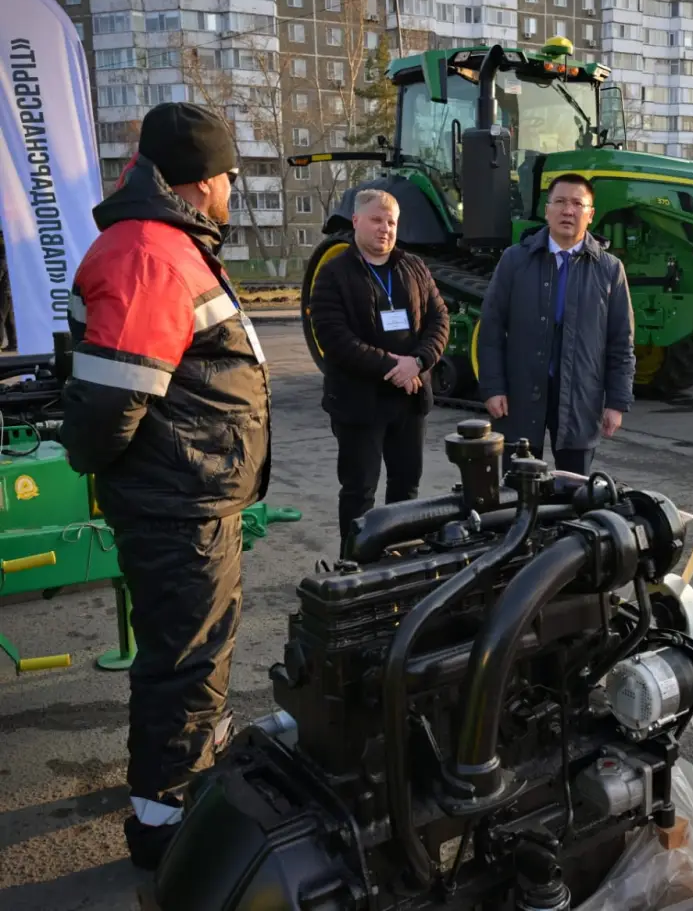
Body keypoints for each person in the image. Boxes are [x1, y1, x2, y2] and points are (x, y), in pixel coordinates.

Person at [59, 102, 271, 870]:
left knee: (195, 650)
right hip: (177, 502)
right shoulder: (152, 252)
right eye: (229, 177)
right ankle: (162, 824)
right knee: (182, 660)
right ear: (202, 180)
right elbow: (111, 405)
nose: (231, 191)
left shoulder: (162, 243)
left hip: (188, 496)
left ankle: (192, 761)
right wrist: (147, 475)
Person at [310, 188, 449, 555]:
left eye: (391, 222)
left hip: (409, 399)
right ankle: (354, 565)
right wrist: (394, 366)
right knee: (360, 491)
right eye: (376, 220)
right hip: (360, 403)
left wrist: (419, 362)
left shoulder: (413, 266)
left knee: (406, 489)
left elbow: (439, 318)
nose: (384, 229)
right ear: (356, 221)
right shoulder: (334, 273)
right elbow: (335, 337)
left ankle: (400, 561)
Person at [477, 173, 635, 474]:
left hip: (580, 398)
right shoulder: (515, 260)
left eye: (578, 203)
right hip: (520, 395)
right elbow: (492, 329)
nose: (568, 210)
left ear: (590, 215)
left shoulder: (609, 269)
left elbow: (621, 342)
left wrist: (617, 402)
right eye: (560, 202)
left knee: (572, 496)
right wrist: (493, 387)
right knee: (518, 493)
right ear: (547, 210)